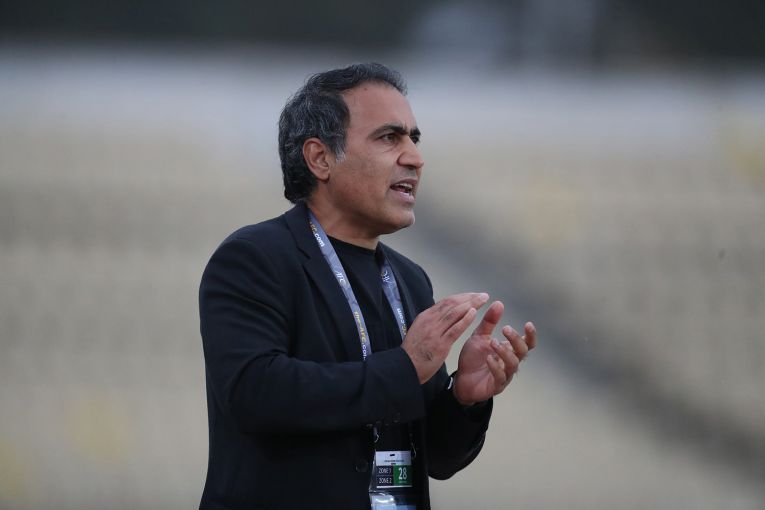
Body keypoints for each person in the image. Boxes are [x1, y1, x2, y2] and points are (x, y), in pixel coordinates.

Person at [198, 63, 536, 510]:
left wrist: (463, 398)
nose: (414, 158)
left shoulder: (410, 279)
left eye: (414, 139)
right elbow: (255, 394)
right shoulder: (254, 258)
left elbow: (436, 458)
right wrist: (405, 367)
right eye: (389, 138)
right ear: (320, 158)